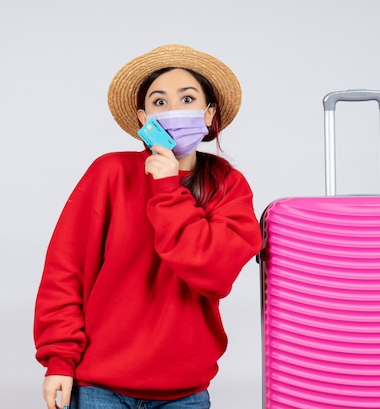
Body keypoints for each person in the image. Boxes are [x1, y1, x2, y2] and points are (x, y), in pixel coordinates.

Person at [33, 44, 262, 409]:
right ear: (143, 119)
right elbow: (66, 270)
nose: (173, 110)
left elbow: (214, 274)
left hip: (184, 392)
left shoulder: (228, 185)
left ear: (209, 113)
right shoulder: (110, 172)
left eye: (187, 99)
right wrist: (59, 358)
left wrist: (167, 187)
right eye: (159, 102)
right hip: (99, 386)